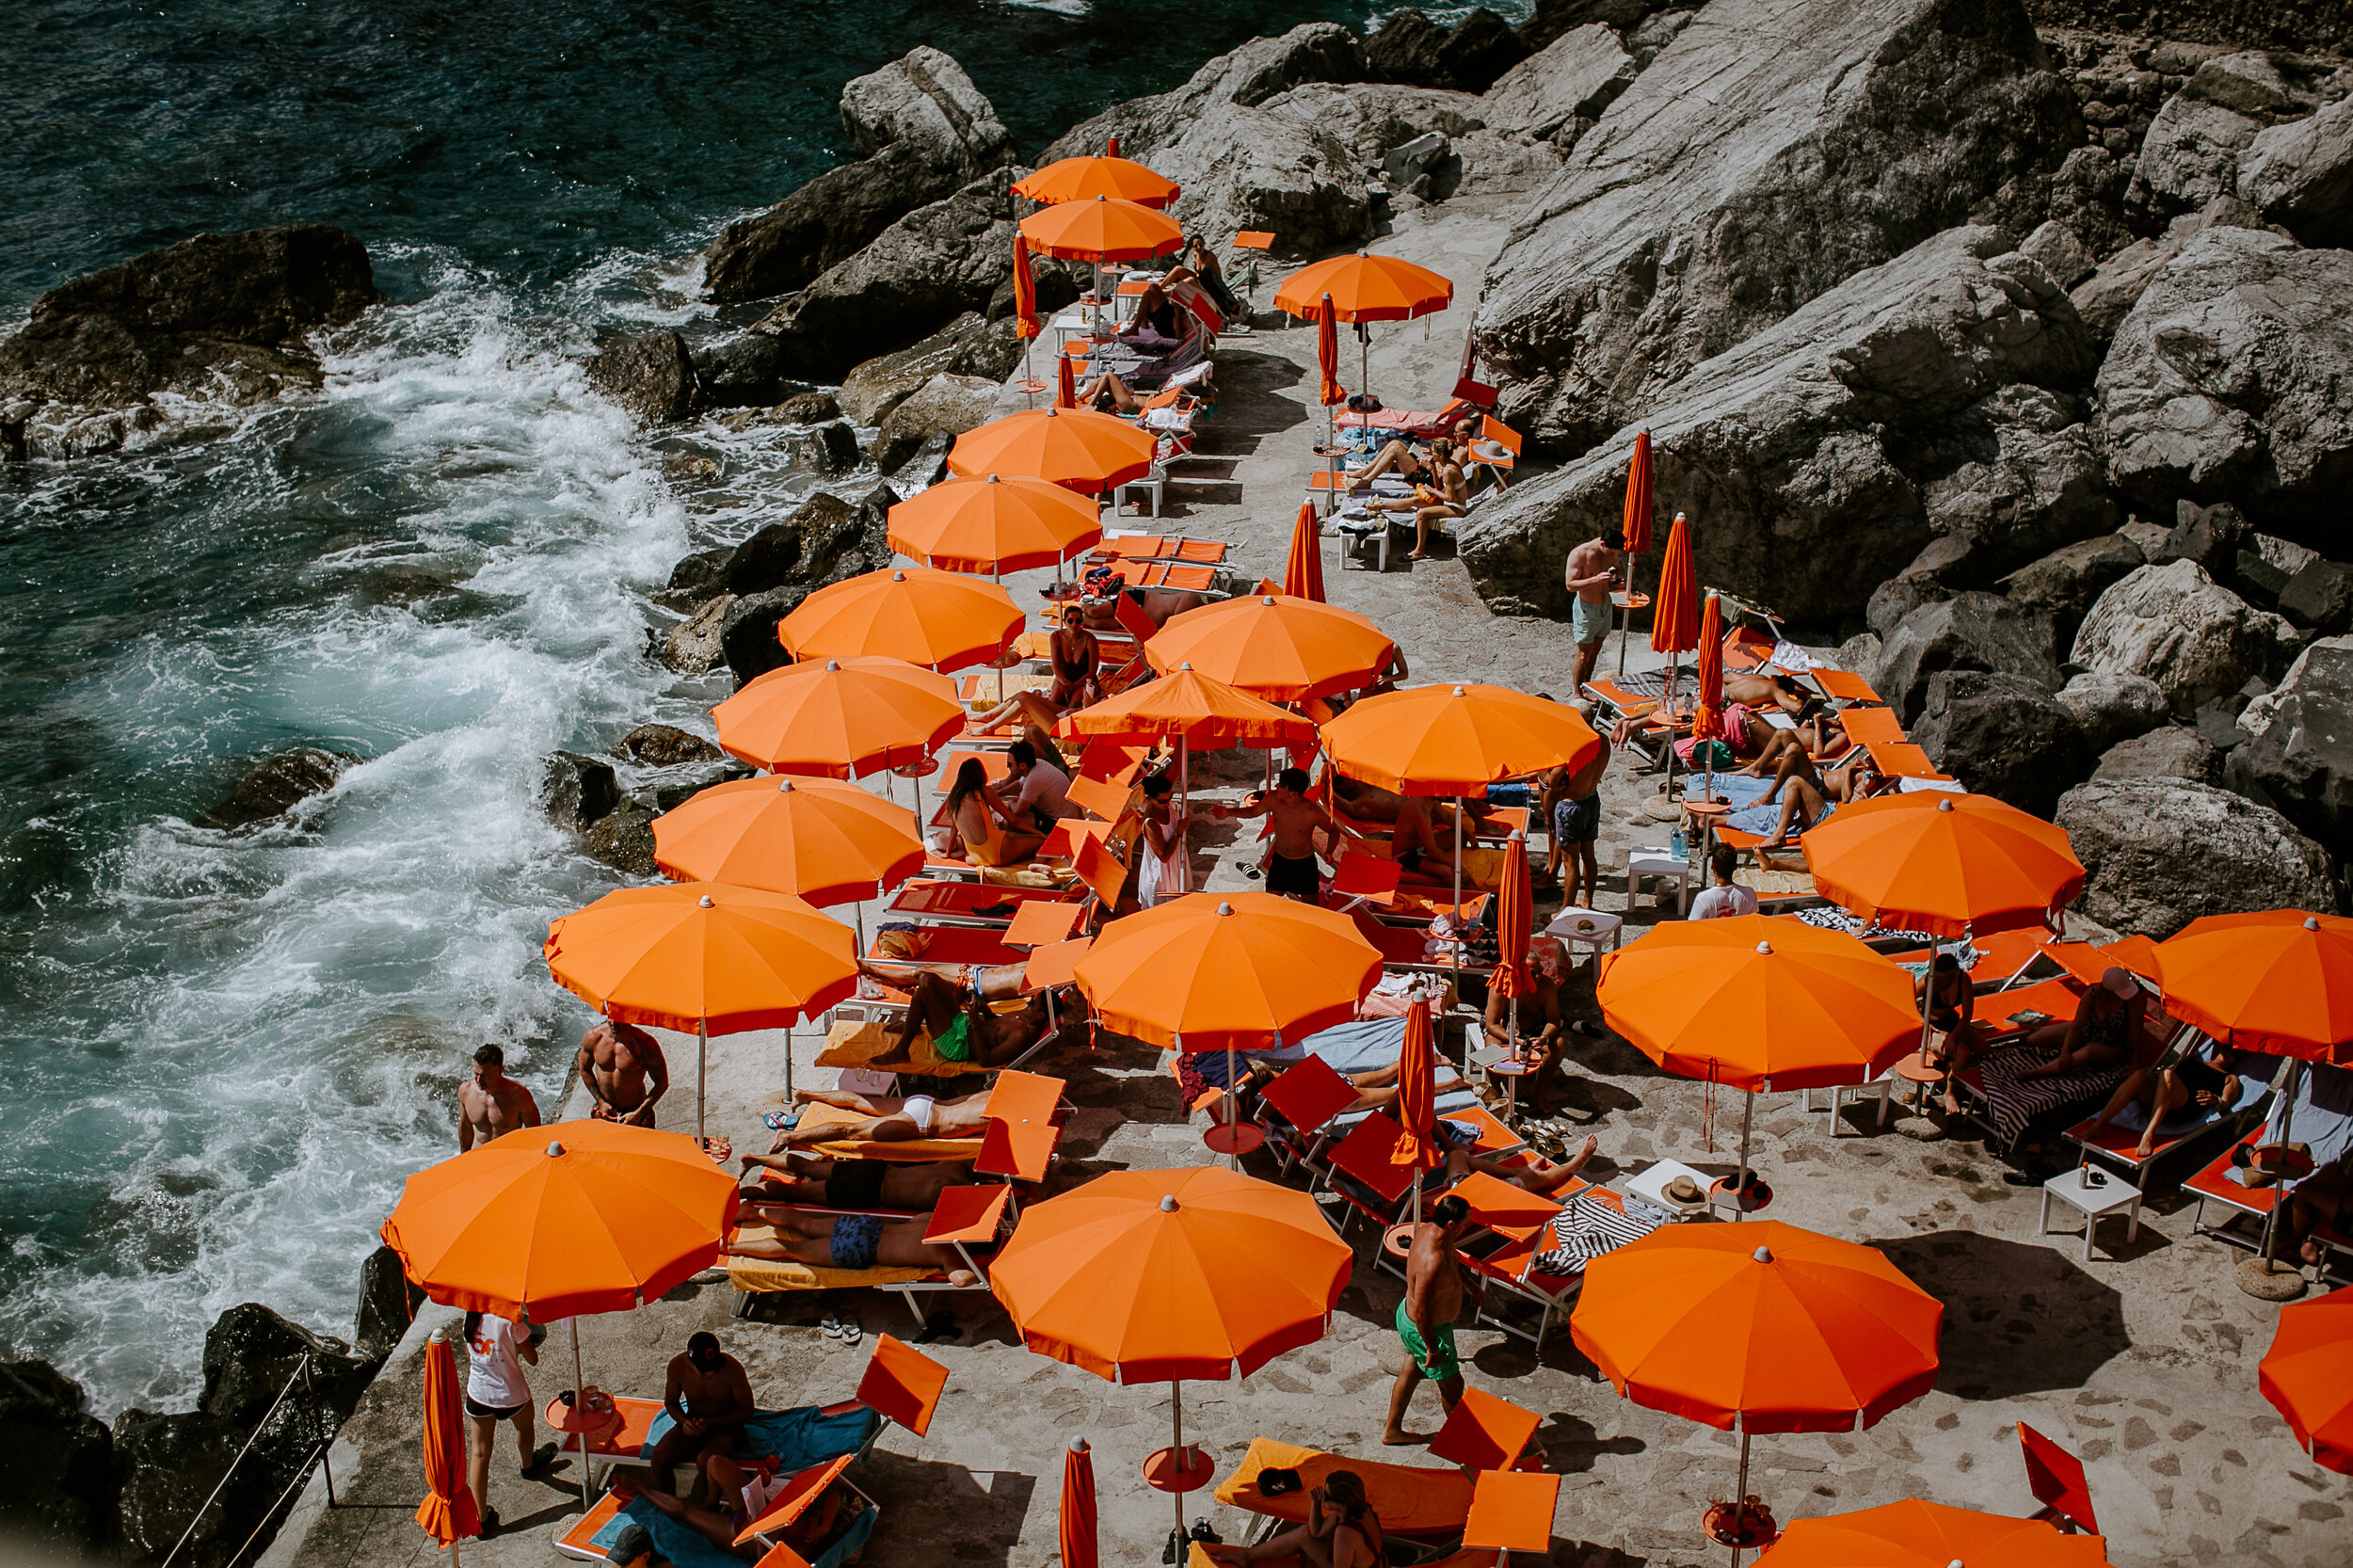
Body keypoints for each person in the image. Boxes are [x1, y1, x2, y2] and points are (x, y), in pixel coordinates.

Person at [1385, 1193, 1472, 1444]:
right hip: (1426, 1329)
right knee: (1453, 1388)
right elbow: (1423, 1312)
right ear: (1452, 1224)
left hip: (1408, 1317)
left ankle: (1392, 1431)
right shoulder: (1432, 1260)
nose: (1467, 1227)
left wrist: (1472, 1286)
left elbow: (1453, 1261)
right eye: (1465, 1223)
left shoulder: (1430, 1232)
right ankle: (1460, 1443)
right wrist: (1433, 1348)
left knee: (1410, 1372)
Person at [461, 1310, 555, 1535]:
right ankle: (528, 1466)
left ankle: (481, 1518)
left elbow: (470, 1353)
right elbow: (533, 1359)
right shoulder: (512, 1319)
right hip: (510, 1393)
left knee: (480, 1453)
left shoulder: (470, 1316)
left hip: (478, 1394)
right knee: (524, 1426)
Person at [2083, 1035, 2249, 1160]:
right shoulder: (2192, 1060)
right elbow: (2164, 1077)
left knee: (2167, 1073)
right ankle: (2099, 1125)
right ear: (2217, 1045)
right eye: (2225, 1047)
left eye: (2233, 1053)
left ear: (2236, 1059)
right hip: (2159, 1099)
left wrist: (2216, 1100)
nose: (2227, 1053)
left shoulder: (2230, 1078)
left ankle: (2148, 1134)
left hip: (2184, 1108)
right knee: (2140, 1075)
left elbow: (2225, 1105)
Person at [1212, 767, 1366, 900]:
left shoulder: (1311, 812)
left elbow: (1333, 831)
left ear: (1293, 794)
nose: (1276, 786)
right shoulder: (1273, 799)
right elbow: (1253, 811)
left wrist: (1329, 852)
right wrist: (1229, 812)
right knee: (1271, 900)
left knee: (1311, 905)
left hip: (1304, 864)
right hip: (1280, 861)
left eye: (1281, 785)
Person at [862, 971, 1064, 1070]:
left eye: (1032, 1004)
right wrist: (986, 1012)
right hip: (967, 1026)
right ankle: (911, 1026)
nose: (1028, 1003)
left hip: (959, 1045)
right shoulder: (1026, 1017)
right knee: (928, 979)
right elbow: (996, 1029)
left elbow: (987, 1061)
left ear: (1040, 1016)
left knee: (922, 995)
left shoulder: (1022, 1036)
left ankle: (901, 1050)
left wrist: (975, 1023)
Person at [725, 1207, 983, 1285]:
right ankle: (733, 1249)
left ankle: (757, 1211)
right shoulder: (951, 1254)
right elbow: (961, 1279)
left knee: (806, 1223)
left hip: (869, 1227)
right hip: (863, 1249)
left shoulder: (934, 1224)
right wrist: (982, 1269)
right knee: (794, 1250)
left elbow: (917, 1217)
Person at [642, 1332, 756, 1496]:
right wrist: (684, 1422)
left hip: (727, 1427)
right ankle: (666, 1503)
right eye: (704, 1371)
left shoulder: (732, 1370)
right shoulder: (677, 1367)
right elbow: (671, 1403)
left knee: (705, 1461)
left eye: (714, 1370)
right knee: (659, 1456)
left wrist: (711, 1422)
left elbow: (747, 1410)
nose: (710, 1374)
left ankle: (707, 1506)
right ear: (690, 1362)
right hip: (693, 1421)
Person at [1205, 1469, 1385, 1568]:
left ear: (1342, 1504)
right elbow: (1316, 1532)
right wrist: (1315, 1504)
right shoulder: (1358, 1508)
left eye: (1327, 1497)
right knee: (1304, 1533)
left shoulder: (1345, 1533)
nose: (1323, 1498)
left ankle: (1245, 1555)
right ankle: (1244, 1555)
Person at [2016, 968, 2145, 1081]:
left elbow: (2136, 1031)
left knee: (2086, 1053)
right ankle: (2015, 1046)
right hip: (2088, 1031)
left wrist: (2136, 1061)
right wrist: (2065, 1051)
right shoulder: (2092, 994)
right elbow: (2077, 1026)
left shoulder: (2132, 1001)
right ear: (2108, 992)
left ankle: (2035, 1073)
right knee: (2034, 1039)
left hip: (2112, 1045)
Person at [769, 1085, 997, 1149]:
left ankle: (806, 1094)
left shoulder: (996, 1093)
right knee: (850, 1131)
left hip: (924, 1102)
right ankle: (788, 1138)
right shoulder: (1001, 1118)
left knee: (858, 1101)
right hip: (923, 1123)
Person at [737, 1154, 977, 1212]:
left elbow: (981, 1164)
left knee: (809, 1168)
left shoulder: (958, 1167)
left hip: (876, 1168)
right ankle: (740, 1192)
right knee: (798, 1193)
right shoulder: (958, 1195)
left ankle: (755, 1159)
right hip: (869, 1191)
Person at [1364, 438, 1466, 561]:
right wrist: (1432, 468)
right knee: (1415, 500)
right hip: (1448, 502)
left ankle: (1419, 551)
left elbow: (1451, 498)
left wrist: (1433, 491)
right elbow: (1439, 486)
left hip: (1456, 508)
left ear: (1441, 454)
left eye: (1433, 452)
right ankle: (1380, 507)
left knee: (1421, 514)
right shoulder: (1447, 465)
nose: (1431, 454)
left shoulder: (1449, 471)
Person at [1916, 952, 1982, 1114]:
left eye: (1946, 978)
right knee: (1962, 1053)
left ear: (1954, 973)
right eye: (1940, 978)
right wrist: (1924, 1023)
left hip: (1952, 1022)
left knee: (1984, 1048)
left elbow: (1967, 1015)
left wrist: (1953, 1036)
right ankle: (1950, 1091)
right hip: (1932, 1026)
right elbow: (1905, 999)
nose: (1942, 982)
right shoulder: (1928, 980)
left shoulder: (1963, 979)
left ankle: (1981, 1086)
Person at [947, 757, 1044, 867]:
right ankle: (1038, 863)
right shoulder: (984, 792)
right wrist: (1038, 833)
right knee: (1043, 843)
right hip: (998, 852)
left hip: (975, 857)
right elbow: (1013, 820)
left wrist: (947, 853)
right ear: (981, 774)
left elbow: (953, 829)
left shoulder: (953, 798)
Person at [1550, 736, 1609, 910]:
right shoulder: (1603, 740)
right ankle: (1587, 901)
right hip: (1591, 799)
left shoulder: (1574, 745)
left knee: (1570, 862)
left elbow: (1552, 780)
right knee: (1589, 856)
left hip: (1571, 806)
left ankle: (1564, 911)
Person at [577, 1020, 669, 1128]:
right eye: (611, 1017)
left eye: (619, 1019)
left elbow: (662, 1082)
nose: (613, 1023)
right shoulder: (594, 1037)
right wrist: (601, 1102)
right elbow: (584, 1069)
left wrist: (638, 1114)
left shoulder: (644, 1044)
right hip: (605, 1109)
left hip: (636, 1111)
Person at [1564, 529, 1623, 695]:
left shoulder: (1611, 551)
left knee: (1595, 650)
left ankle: (1587, 687)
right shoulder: (1579, 554)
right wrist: (1595, 580)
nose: (1613, 555)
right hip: (1587, 609)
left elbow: (1616, 567)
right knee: (1583, 654)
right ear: (1602, 544)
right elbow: (1570, 585)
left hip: (1605, 606)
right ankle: (1577, 693)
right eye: (1611, 551)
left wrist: (1618, 578)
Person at [458, 1044, 541, 1151]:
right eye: (476, 1074)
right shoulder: (466, 1091)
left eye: (485, 1075)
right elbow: (465, 1127)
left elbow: (535, 1133)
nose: (479, 1080)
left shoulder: (519, 1096)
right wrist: (464, 1157)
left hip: (508, 1159)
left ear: (500, 1070)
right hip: (480, 1157)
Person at [1135, 773, 1191, 905]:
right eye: (1162, 801)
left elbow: (1176, 767)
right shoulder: (1151, 823)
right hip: (1161, 879)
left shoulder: (1164, 800)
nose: (1167, 803)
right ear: (1150, 799)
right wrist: (1178, 832)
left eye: (1169, 798)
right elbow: (1164, 857)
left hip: (1175, 868)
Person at [1048, 605, 1099, 710]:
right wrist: (1064, 682)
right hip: (1065, 679)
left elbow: (1092, 671)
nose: (1074, 624)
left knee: (1074, 704)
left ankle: (1065, 723)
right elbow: (1056, 666)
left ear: (1082, 622)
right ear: (1064, 621)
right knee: (1054, 701)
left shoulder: (1089, 639)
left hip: (1085, 681)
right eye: (1070, 621)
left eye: (1078, 621)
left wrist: (1073, 686)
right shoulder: (1056, 637)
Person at [1688, 845, 1757, 920]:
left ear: (1712, 866)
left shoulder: (1703, 899)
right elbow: (1754, 921)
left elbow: (1694, 927)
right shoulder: (1749, 894)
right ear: (1735, 867)